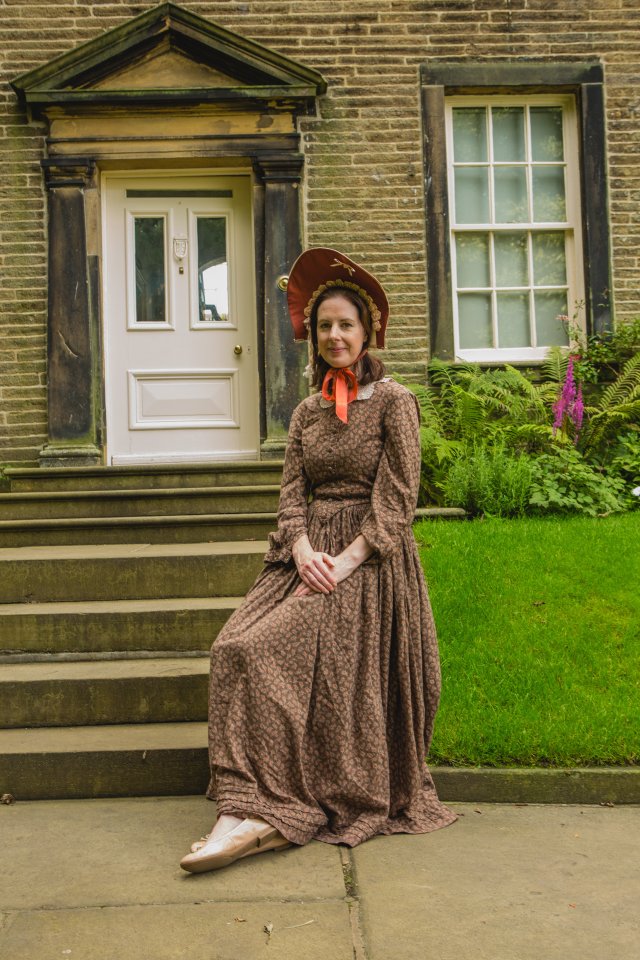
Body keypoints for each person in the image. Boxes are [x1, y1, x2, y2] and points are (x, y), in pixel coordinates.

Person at [180, 247, 456, 874]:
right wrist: (303, 549)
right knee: (232, 648)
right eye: (325, 326)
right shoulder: (307, 411)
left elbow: (398, 499)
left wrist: (344, 560)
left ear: (367, 332)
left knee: (266, 650)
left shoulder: (394, 401)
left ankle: (262, 811)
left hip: (368, 560)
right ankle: (245, 803)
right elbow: (289, 495)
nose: (335, 336)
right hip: (304, 555)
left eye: (346, 325)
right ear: (314, 336)